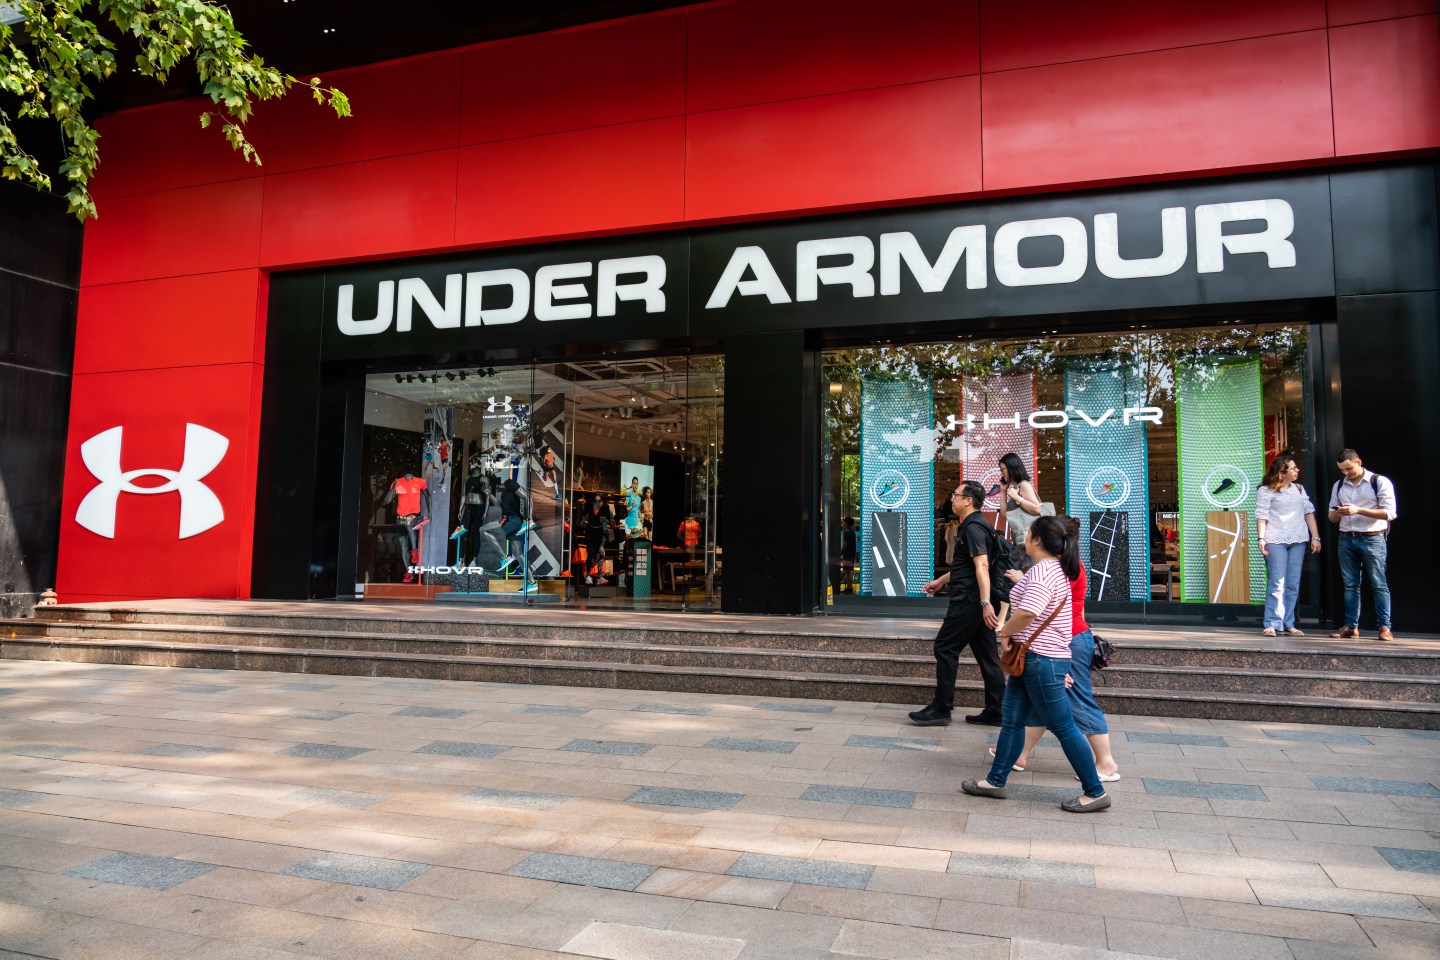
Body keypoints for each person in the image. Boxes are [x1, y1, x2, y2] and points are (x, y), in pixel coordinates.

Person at [963, 516, 1110, 813]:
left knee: (1063, 726)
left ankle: (1095, 791)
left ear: (1038, 540)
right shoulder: (1049, 569)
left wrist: (1004, 631)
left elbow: (1029, 612)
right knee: (1013, 719)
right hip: (1035, 657)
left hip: (1041, 660)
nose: (1024, 537)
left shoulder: (1045, 572)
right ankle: (995, 781)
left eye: (1028, 533)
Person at [910, 481, 1006, 727]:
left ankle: (942, 708)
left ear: (968, 500)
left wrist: (985, 603)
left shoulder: (973, 528)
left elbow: (982, 566)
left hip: (970, 601)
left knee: (945, 648)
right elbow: (966, 566)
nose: (951, 498)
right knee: (987, 656)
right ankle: (997, 710)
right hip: (977, 601)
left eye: (956, 495)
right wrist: (940, 581)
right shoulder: (976, 526)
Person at [1327, 448, 1397, 640]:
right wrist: (1338, 513)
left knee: (1378, 583)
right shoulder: (1339, 484)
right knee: (1350, 585)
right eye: (1342, 470)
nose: (1346, 473)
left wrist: (1358, 510)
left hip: (1372, 537)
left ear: (1358, 462)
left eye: (1348, 468)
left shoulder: (1378, 481)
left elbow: (1389, 513)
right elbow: (1331, 516)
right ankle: (1351, 626)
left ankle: (1384, 627)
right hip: (1346, 537)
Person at [1256, 455, 1321, 637]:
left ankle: (1288, 623)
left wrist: (1315, 537)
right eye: (1293, 468)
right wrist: (1261, 539)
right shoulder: (1266, 490)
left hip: (1298, 539)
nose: (1297, 470)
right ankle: (1272, 623)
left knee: (1293, 583)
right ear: (1281, 473)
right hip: (1275, 539)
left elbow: (1309, 513)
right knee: (1277, 582)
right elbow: (1261, 515)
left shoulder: (1299, 489)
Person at [999, 452, 1044, 542]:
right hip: (1023, 540)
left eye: (1002, 469)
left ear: (1011, 468)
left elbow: (1037, 509)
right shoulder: (1016, 488)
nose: (1002, 473)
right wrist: (1003, 491)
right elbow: (1004, 514)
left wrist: (1017, 498)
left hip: (1031, 541)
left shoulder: (1024, 485)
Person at [839, 516, 857, 594]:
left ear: (846, 523)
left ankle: (849, 588)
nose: (842, 523)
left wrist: (841, 552)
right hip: (851, 554)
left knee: (847, 571)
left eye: (843, 522)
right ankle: (849, 588)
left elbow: (845, 543)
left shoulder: (847, 532)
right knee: (848, 571)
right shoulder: (852, 532)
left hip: (848, 554)